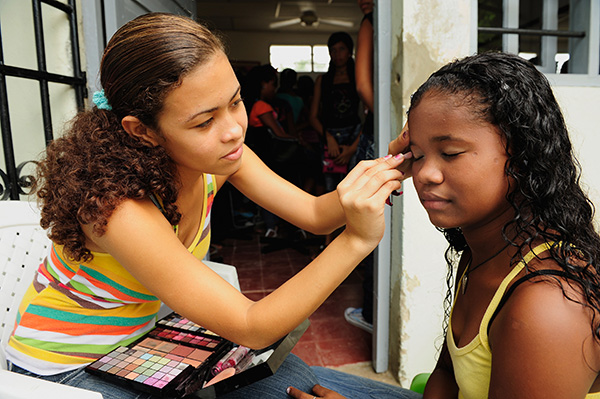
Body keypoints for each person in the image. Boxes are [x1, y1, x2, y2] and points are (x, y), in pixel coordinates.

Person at [4, 13, 408, 399]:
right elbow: (252, 327)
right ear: (142, 130)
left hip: (136, 345)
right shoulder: (117, 210)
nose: (233, 130)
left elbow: (317, 215)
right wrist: (356, 242)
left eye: (235, 102)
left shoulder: (219, 159)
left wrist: (389, 169)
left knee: (293, 378)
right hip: (66, 370)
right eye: (203, 122)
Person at [290, 51, 600, 398]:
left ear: (522, 155)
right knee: (286, 375)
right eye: (417, 155)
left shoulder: (548, 306)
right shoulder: (481, 252)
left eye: (450, 153)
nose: (424, 174)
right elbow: (446, 373)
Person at [344, 0, 376, 334]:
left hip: (373, 132)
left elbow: (364, 86)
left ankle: (370, 312)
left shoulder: (370, 22)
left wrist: (379, 119)